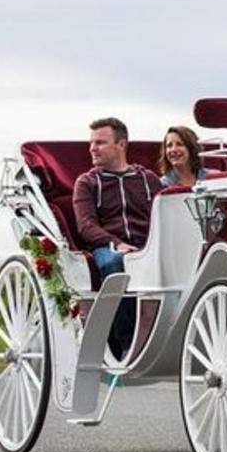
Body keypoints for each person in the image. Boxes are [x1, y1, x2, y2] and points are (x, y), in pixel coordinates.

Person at [72, 117, 163, 359]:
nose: (92, 148)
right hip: (107, 247)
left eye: (100, 142)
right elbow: (85, 226)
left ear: (121, 145)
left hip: (147, 245)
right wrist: (118, 243)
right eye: (91, 143)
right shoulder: (88, 182)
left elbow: (163, 216)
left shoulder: (148, 180)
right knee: (114, 264)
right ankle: (125, 344)